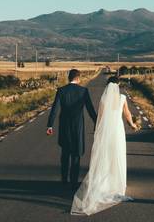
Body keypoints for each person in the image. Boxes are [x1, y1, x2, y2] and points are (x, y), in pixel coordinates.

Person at [70, 76, 140, 215]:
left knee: (105, 156)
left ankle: (104, 183)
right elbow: (127, 114)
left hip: (106, 131)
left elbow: (100, 118)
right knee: (117, 154)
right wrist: (133, 125)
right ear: (118, 86)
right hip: (118, 130)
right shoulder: (122, 98)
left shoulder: (103, 100)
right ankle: (117, 183)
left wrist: (97, 131)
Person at [47, 69, 97, 187]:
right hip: (78, 126)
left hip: (64, 126)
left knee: (65, 153)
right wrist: (97, 122)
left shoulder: (61, 91)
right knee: (76, 154)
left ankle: (64, 180)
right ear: (78, 78)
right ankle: (74, 181)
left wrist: (50, 125)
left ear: (69, 78)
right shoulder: (83, 91)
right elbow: (90, 109)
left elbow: (54, 110)